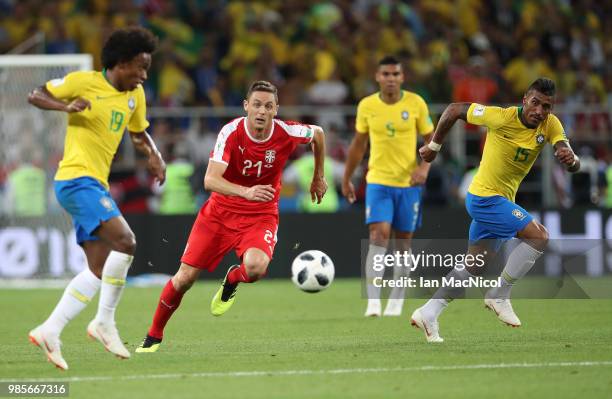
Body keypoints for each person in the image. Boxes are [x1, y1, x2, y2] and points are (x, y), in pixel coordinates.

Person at [135, 80, 327, 353]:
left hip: (261, 214)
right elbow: (210, 180)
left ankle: (233, 280)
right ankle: (154, 335)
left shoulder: (286, 132)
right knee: (184, 278)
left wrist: (318, 176)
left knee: (256, 269)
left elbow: (318, 134)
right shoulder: (231, 132)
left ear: (276, 110)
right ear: (246, 106)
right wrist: (246, 192)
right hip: (219, 214)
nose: (262, 111)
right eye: (257, 104)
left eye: (268, 106)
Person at [26, 27, 166, 369]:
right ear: (120, 63)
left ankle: (50, 329)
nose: (144, 75)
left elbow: (137, 131)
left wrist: (154, 154)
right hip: (76, 180)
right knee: (126, 241)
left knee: (99, 268)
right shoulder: (84, 82)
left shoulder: (135, 94)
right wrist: (64, 105)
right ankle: (104, 322)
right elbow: (36, 94)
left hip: (95, 185)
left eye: (147, 68)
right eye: (140, 67)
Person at [411, 78, 580, 342]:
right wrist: (434, 146)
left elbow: (564, 150)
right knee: (539, 236)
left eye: (546, 106)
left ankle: (428, 312)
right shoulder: (500, 117)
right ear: (525, 99)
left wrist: (572, 160)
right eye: (535, 103)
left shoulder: (550, 124)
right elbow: (455, 109)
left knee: (474, 266)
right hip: (483, 198)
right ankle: (499, 294)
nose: (539, 111)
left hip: (502, 200)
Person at [342, 56, 434, 317]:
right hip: (378, 181)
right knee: (378, 235)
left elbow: (432, 139)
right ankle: (373, 301)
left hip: (408, 183)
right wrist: (347, 177)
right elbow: (359, 145)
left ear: (402, 77)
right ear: (377, 77)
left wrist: (423, 168)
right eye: (386, 74)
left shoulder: (415, 103)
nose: (391, 78)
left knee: (403, 243)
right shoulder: (367, 106)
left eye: (395, 74)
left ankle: (397, 297)